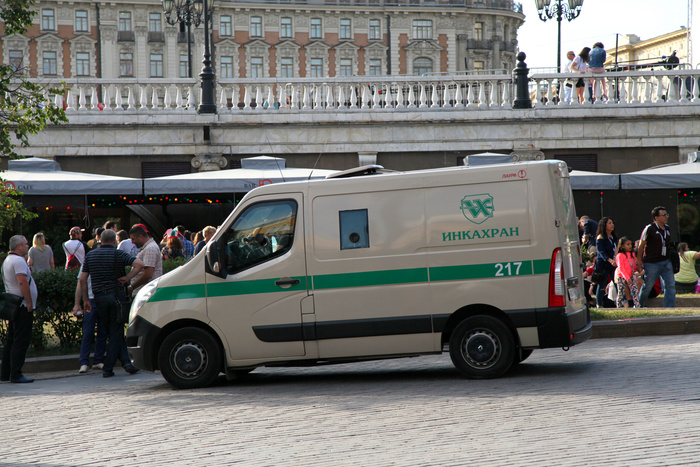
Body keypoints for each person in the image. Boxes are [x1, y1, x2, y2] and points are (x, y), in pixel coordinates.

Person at [76, 229, 144, 377]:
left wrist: (86, 300)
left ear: (100, 240)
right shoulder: (118, 254)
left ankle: (126, 363)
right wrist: (127, 277)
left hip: (98, 299)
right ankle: (108, 368)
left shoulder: (90, 255)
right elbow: (139, 264)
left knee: (111, 332)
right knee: (115, 332)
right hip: (116, 297)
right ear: (114, 241)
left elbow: (82, 279)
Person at [1, 235, 37, 383]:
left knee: (11, 340)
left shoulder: (8, 260)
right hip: (22, 306)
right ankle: (16, 373)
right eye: (26, 244)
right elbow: (22, 282)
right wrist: (29, 302)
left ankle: (5, 373)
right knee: (21, 340)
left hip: (14, 306)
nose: (28, 246)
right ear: (19, 246)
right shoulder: (19, 261)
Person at [637, 206, 676, 308]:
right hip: (651, 262)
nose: (666, 217)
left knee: (670, 284)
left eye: (666, 215)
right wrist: (639, 261)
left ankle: (669, 307)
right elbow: (641, 246)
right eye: (663, 215)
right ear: (656, 217)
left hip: (666, 260)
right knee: (648, 286)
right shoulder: (649, 228)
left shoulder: (667, 228)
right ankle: (640, 305)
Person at [73, 263, 107, 373]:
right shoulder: (88, 263)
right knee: (88, 332)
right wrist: (77, 303)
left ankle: (98, 360)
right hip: (91, 300)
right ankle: (84, 361)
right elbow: (80, 282)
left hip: (102, 300)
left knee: (102, 331)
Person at [128, 224, 163, 298]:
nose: (132, 242)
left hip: (146, 294)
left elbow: (148, 274)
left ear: (140, 237)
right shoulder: (148, 247)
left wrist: (132, 287)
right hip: (145, 292)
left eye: (133, 239)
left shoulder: (150, 249)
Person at [594, 217, 617, 308]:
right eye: (609, 223)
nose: (612, 225)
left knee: (617, 282)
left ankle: (620, 301)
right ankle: (599, 304)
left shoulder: (613, 237)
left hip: (613, 264)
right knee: (602, 284)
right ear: (604, 225)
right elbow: (601, 252)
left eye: (612, 223)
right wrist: (610, 260)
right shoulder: (601, 238)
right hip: (603, 264)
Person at [614, 237, 642, 308]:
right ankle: (619, 306)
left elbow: (633, 265)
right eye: (627, 244)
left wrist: (637, 269)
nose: (630, 246)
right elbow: (621, 268)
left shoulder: (632, 254)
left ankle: (637, 305)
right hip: (622, 277)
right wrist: (627, 277)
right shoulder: (620, 255)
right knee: (621, 292)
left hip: (631, 276)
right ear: (622, 246)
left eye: (630, 244)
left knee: (635, 291)